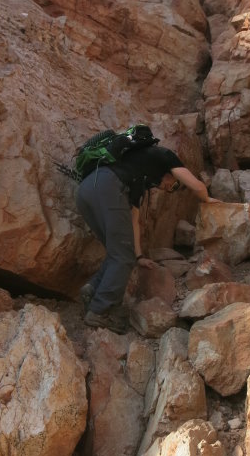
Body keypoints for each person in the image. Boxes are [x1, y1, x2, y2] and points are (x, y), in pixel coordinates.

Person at [76, 141, 217, 331]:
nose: (168, 189)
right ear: (172, 174)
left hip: (86, 191)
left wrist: (139, 256)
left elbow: (134, 221)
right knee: (123, 257)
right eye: (173, 186)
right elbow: (196, 185)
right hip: (107, 188)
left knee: (118, 252)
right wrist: (207, 199)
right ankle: (99, 310)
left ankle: (92, 289)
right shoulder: (165, 156)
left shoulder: (137, 175)